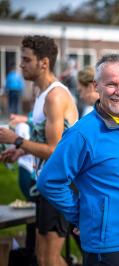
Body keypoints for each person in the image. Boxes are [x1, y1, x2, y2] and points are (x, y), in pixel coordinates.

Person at [36, 54, 119, 266]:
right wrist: (83, 214)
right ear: (96, 86)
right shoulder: (82, 133)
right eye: (111, 84)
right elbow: (49, 181)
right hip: (109, 248)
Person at [0, 35, 78, 266]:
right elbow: (43, 138)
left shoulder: (55, 96)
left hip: (62, 185)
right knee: (42, 258)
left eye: (26, 60)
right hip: (46, 183)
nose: (21, 64)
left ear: (44, 62)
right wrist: (21, 153)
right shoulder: (38, 93)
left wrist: (16, 141)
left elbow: (56, 151)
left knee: (51, 259)